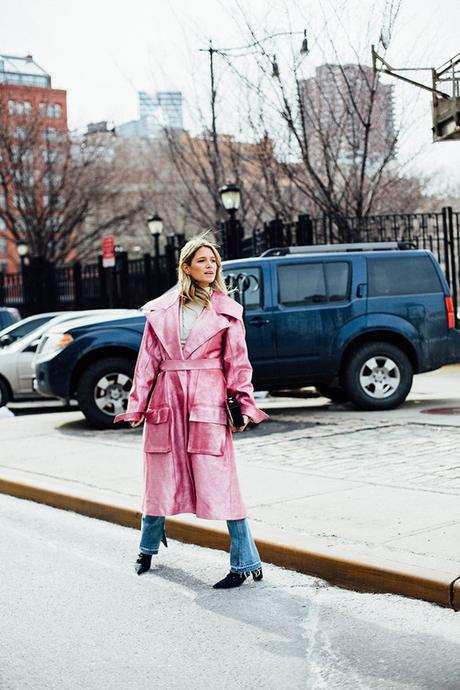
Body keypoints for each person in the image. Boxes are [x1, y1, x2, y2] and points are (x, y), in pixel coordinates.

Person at [114, 233, 269, 589]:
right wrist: (137, 405)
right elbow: (146, 362)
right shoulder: (161, 311)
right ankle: (146, 548)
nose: (210, 266)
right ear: (186, 266)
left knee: (222, 482)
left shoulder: (227, 311)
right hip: (167, 403)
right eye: (201, 260)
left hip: (207, 403)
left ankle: (246, 562)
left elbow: (239, 364)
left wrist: (243, 404)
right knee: (158, 478)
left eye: (213, 260)